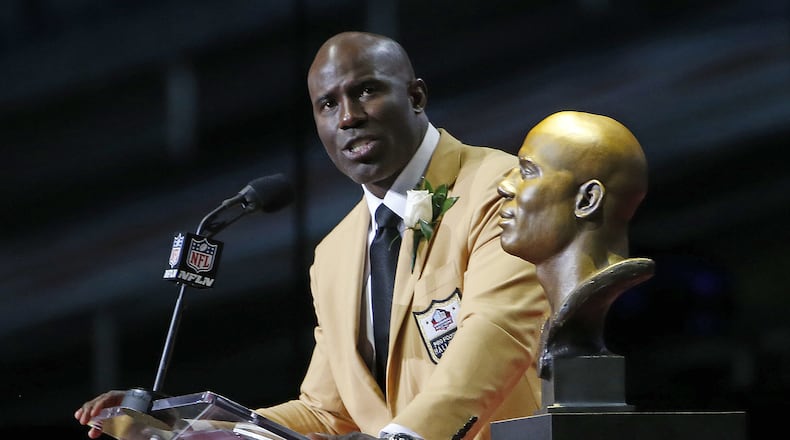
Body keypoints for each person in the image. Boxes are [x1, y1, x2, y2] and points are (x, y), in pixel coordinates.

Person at [75, 31, 549, 440]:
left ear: (417, 97)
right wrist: (185, 429)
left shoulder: (502, 188)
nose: (348, 117)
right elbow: (325, 412)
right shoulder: (335, 255)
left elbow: (499, 334)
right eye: (328, 104)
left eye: (366, 91)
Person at [496, 110, 653, 379]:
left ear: (587, 200)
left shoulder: (590, 313)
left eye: (527, 172)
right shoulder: (552, 316)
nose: (504, 185)